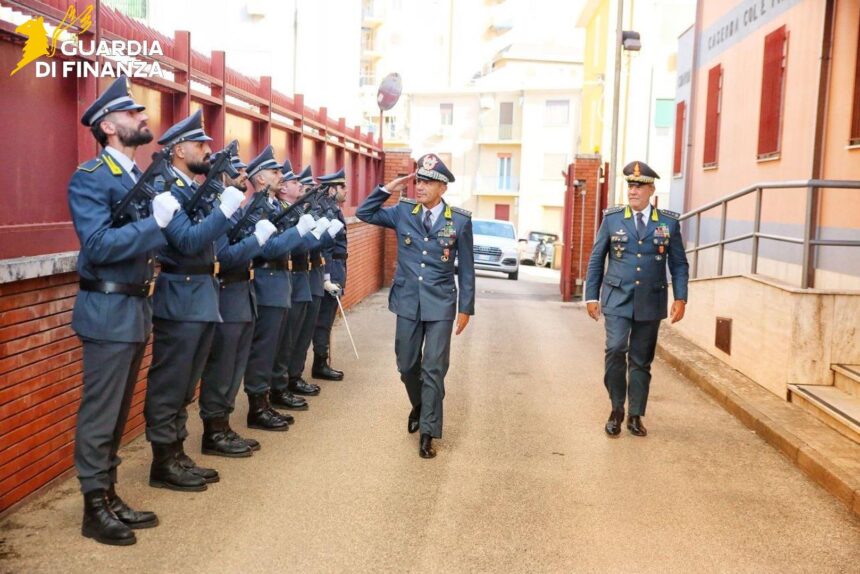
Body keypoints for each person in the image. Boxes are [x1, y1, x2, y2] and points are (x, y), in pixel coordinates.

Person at [69, 75, 178, 545]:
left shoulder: (136, 177)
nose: (142, 116)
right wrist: (154, 225)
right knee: (101, 412)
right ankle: (93, 507)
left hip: (134, 307)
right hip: (107, 307)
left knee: (116, 413)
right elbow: (96, 245)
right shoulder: (90, 177)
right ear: (109, 126)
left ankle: (109, 495)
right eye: (132, 112)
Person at [144, 110, 245, 492]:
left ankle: (178, 452)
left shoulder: (190, 188)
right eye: (199, 143)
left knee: (186, 384)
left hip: (201, 293)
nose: (207, 149)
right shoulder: (164, 187)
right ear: (178, 149)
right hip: (180, 294)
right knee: (170, 382)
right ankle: (163, 461)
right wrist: (224, 209)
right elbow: (187, 241)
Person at [356, 154, 475, 459]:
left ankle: (428, 432)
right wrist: (388, 188)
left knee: (434, 367)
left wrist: (466, 308)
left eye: (428, 182)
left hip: (441, 304)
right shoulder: (403, 212)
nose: (420, 186)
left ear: (443, 188)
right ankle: (421, 405)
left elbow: (466, 269)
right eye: (419, 180)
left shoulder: (459, 221)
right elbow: (364, 213)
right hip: (408, 300)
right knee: (407, 364)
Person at [585, 161, 689, 437]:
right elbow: (597, 259)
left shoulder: (668, 222)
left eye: (639, 187)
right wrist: (591, 296)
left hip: (651, 300)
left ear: (651, 190)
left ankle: (635, 415)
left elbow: (679, 263)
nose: (633, 191)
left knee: (642, 359)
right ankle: (616, 408)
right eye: (630, 186)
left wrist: (681, 297)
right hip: (617, 297)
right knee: (615, 349)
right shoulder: (612, 219)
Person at [197, 155, 277, 456]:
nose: (244, 175)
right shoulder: (219, 208)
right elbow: (224, 256)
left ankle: (224, 425)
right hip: (227, 292)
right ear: (222, 174)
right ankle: (214, 431)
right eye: (238, 170)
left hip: (243, 292)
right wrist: (256, 240)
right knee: (222, 366)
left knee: (234, 366)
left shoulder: (236, 208)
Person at [241, 151, 319, 430]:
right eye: (275, 172)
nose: (281, 176)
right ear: (261, 179)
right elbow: (269, 248)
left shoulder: (272, 206)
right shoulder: (258, 208)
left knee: (276, 346)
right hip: (267, 281)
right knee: (263, 349)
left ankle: (267, 401)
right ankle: (257, 407)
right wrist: (298, 231)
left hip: (280, 281)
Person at [312, 169, 349, 381]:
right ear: (331, 190)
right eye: (342, 186)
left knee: (327, 318)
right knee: (324, 319)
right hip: (332, 267)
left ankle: (322, 362)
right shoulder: (327, 211)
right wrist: (326, 277)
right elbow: (326, 246)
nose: (346, 190)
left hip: (338, 266)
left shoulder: (334, 209)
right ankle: (320, 364)